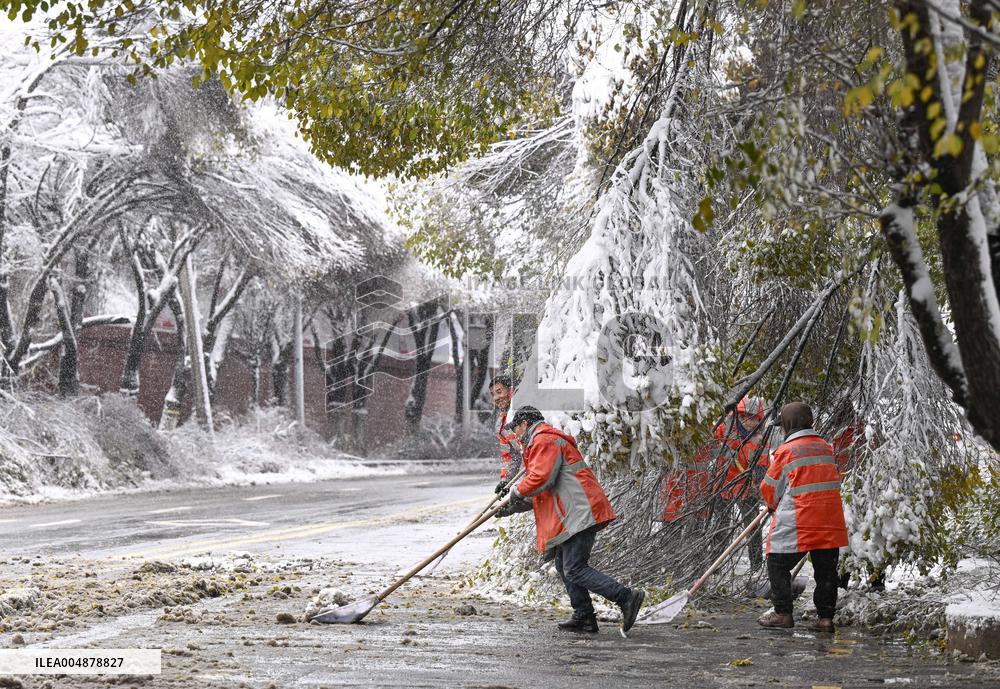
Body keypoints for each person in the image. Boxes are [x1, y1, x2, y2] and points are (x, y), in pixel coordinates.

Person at [499, 405, 645, 635]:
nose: (515, 435)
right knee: (564, 566)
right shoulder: (539, 443)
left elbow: (540, 479)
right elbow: (542, 492)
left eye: (515, 428)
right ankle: (584, 616)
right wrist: (511, 506)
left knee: (574, 568)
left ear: (525, 423)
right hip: (571, 513)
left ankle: (626, 597)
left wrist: (515, 492)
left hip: (579, 510)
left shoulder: (544, 439)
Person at [758, 401, 849, 632]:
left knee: (777, 561)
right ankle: (825, 619)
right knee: (825, 571)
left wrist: (771, 505)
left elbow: (770, 487)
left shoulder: (786, 451)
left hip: (800, 520)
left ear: (788, 425)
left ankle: (782, 613)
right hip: (829, 520)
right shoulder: (826, 447)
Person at [489, 374, 523, 492]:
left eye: (499, 391)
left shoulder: (526, 411)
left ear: (511, 390)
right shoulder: (502, 426)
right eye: (493, 394)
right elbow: (511, 456)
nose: (496, 398)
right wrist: (505, 480)